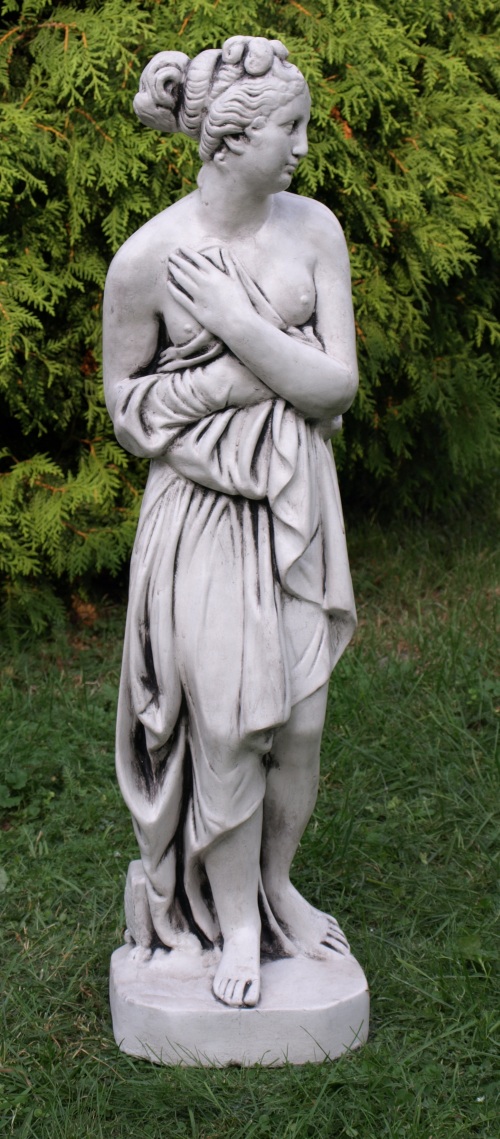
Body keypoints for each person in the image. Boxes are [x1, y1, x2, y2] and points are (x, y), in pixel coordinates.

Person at [103, 35, 358, 1009]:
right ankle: (237, 925)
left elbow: (334, 386)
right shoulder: (146, 261)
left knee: (300, 723)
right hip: (202, 515)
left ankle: (276, 882)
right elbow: (131, 416)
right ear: (228, 140)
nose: (303, 147)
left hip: (296, 497)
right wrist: (246, 374)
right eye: (290, 128)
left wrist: (241, 328)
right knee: (226, 725)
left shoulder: (314, 232)